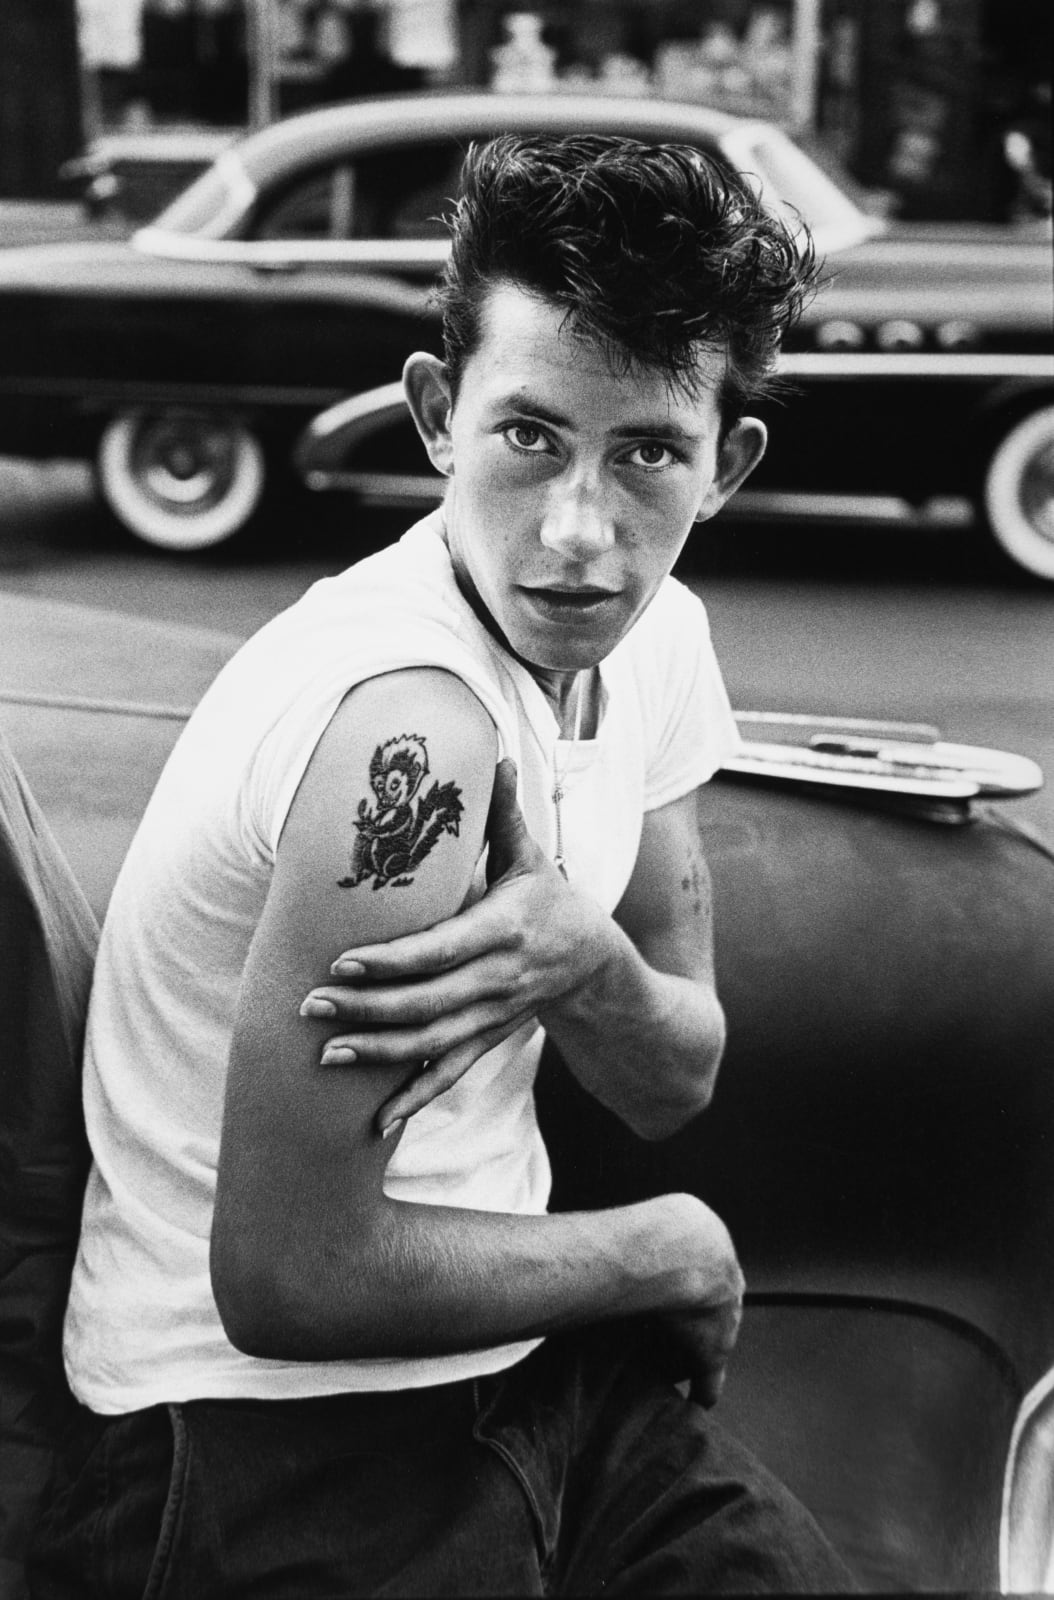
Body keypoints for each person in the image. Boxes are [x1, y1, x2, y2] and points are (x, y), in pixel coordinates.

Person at [29, 135, 854, 1595]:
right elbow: (286, 1278)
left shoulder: (653, 641)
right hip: (247, 1434)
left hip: (526, 1376)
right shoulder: (401, 727)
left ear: (723, 465)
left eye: (644, 451)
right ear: (433, 419)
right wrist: (665, 1251)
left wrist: (581, 960)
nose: (580, 535)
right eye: (528, 437)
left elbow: (673, 1072)